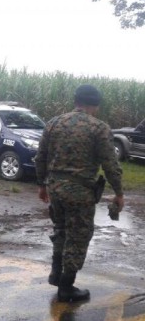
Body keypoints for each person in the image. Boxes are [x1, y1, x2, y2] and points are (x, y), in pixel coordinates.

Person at [35, 84, 124, 303]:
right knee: (79, 235)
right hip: (80, 192)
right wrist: (119, 193)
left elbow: (41, 157)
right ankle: (66, 287)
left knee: (61, 229)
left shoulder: (53, 123)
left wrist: (42, 185)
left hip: (55, 188)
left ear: (76, 101)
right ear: (96, 105)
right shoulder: (99, 128)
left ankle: (56, 273)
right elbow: (110, 164)